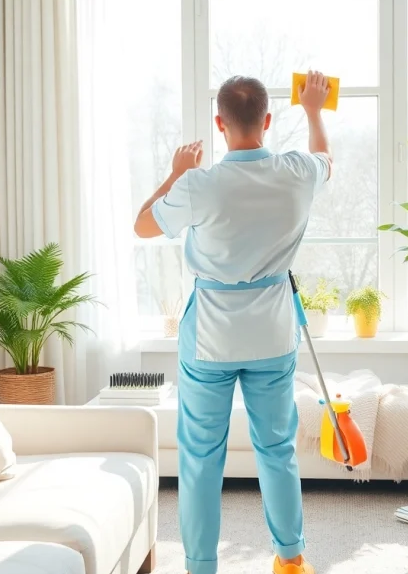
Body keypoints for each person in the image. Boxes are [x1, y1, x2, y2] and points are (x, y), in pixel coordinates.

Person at [134, 71, 332, 574]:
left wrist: (176, 173)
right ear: (267, 121)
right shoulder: (296, 172)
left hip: (210, 339)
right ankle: (291, 560)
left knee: (201, 459)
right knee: (277, 449)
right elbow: (326, 158)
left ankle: (201, 567)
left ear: (220, 124)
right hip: (272, 334)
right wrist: (313, 111)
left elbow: (142, 224)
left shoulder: (200, 184)